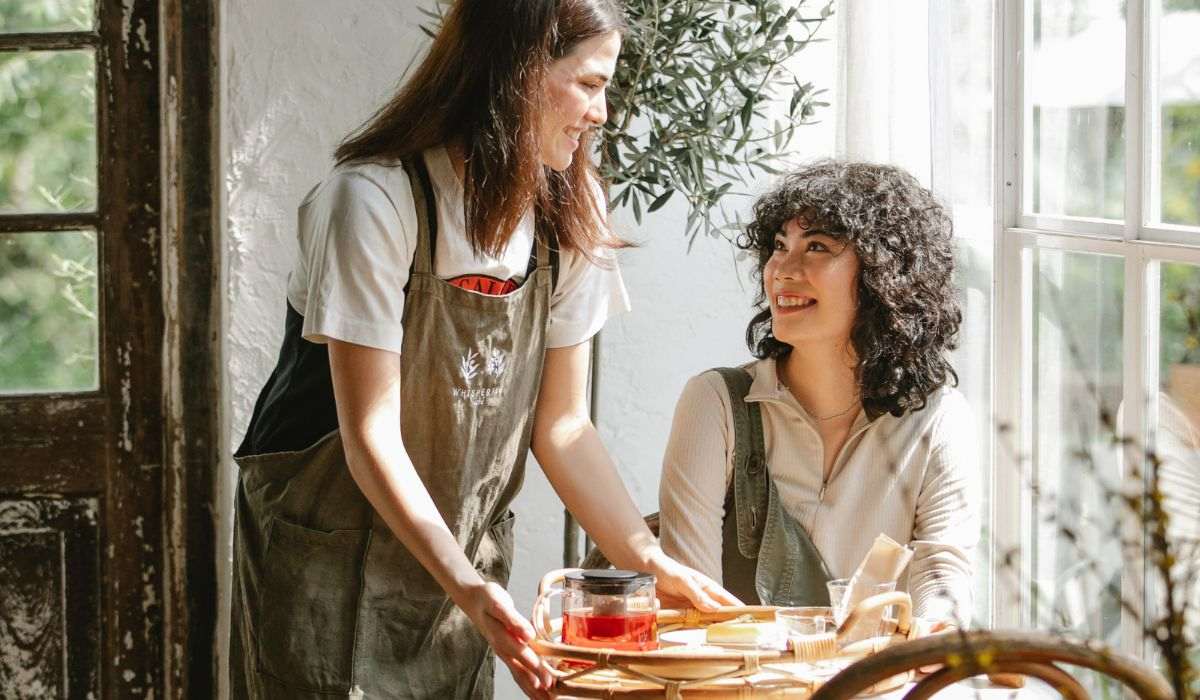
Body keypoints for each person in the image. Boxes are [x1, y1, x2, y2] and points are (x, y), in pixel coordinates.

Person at [229, 2, 737, 698]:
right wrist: (467, 586)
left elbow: (561, 427)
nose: (603, 112)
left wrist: (651, 562)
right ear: (518, 71)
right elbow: (370, 434)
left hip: (452, 574)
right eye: (589, 84)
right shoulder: (373, 202)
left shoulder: (572, 213)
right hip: (327, 555)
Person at [658, 161, 979, 627]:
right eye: (779, 247)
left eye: (816, 248)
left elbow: (942, 570)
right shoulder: (716, 403)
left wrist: (936, 635)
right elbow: (693, 599)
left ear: (881, 274)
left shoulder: (937, 417)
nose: (783, 271)